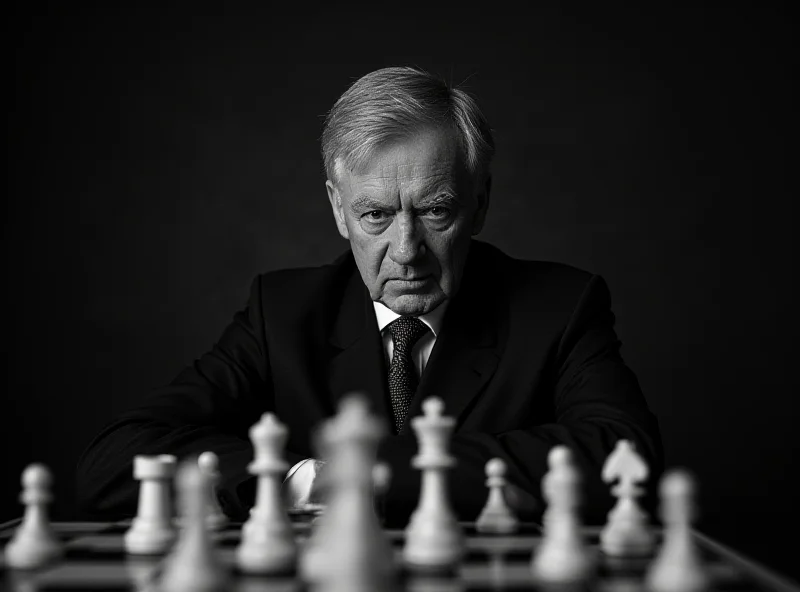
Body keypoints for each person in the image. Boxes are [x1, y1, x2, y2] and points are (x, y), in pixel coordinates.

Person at [75, 66, 662, 526]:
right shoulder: (280, 313)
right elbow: (114, 461)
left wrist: (363, 477)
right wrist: (306, 479)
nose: (406, 250)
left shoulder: (559, 307)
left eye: (435, 210)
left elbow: (625, 457)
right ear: (338, 209)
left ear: (479, 203)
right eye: (375, 215)